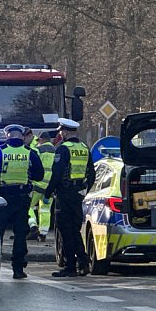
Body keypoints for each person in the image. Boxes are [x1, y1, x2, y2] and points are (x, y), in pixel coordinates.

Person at [0, 124, 44, 279]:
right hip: (22, 197)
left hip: (2, 198)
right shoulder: (30, 152)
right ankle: (18, 268)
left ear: (7, 135)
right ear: (22, 136)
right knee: (20, 233)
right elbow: (39, 175)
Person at [45, 118, 95, 277]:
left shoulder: (63, 149)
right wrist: (85, 190)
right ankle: (83, 261)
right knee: (75, 230)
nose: (61, 134)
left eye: (61, 131)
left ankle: (70, 267)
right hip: (78, 195)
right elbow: (92, 174)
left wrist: (47, 192)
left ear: (65, 132)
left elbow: (57, 174)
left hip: (64, 195)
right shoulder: (85, 148)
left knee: (65, 230)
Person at [27, 131, 56, 242]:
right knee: (45, 210)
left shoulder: (38, 150)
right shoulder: (56, 151)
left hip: (37, 185)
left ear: (42, 139)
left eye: (38, 141)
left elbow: (33, 166)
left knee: (27, 206)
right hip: (50, 187)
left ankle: (33, 226)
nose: (38, 143)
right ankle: (43, 233)